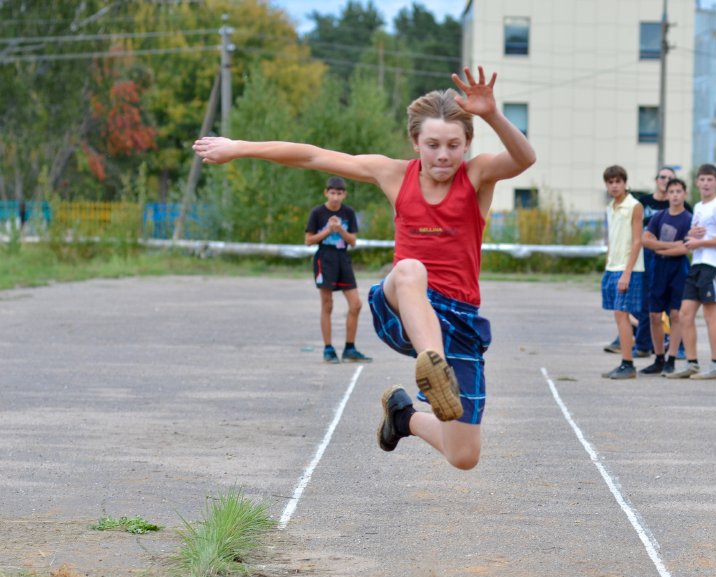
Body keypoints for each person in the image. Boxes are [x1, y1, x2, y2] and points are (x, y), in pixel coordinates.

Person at [193, 67, 536, 470]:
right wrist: (239, 146)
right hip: (402, 307)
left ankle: (404, 417)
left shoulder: (476, 175)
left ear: (467, 144)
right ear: (415, 142)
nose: (443, 155)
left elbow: (524, 158)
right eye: (432, 144)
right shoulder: (392, 173)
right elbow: (313, 155)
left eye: (453, 145)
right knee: (410, 270)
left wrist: (493, 114)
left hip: (459, 318)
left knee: (464, 456)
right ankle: (432, 363)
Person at [666, 163, 716, 380]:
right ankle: (692, 363)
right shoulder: (697, 207)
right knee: (684, 314)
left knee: (710, 314)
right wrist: (692, 235)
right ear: (697, 182)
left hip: (714, 265)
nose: (705, 183)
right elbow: (695, 236)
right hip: (697, 264)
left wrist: (701, 243)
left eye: (709, 180)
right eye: (702, 179)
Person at [305, 176, 372, 364]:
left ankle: (350, 348)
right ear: (326, 192)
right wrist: (328, 230)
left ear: (344, 194)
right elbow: (309, 240)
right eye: (332, 193)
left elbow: (353, 241)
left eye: (339, 193)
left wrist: (340, 229)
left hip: (343, 258)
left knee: (356, 304)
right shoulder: (317, 212)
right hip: (324, 259)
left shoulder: (348, 213)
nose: (335, 197)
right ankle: (328, 349)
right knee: (327, 305)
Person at [639, 178, 692, 376]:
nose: (676, 195)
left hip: (678, 269)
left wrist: (660, 247)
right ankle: (659, 358)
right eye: (672, 191)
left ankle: (671, 358)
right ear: (667, 194)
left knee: (675, 314)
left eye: (679, 191)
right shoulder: (659, 216)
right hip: (657, 268)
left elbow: (685, 249)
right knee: (654, 315)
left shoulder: (689, 218)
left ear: (684, 194)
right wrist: (671, 245)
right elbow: (645, 240)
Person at [600, 165, 644, 380]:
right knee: (619, 315)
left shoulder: (634, 206)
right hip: (612, 266)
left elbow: (638, 241)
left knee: (622, 314)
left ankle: (628, 363)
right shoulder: (610, 206)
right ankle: (626, 360)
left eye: (618, 181)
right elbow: (612, 239)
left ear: (625, 183)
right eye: (610, 182)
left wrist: (627, 272)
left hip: (629, 268)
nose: (614, 185)